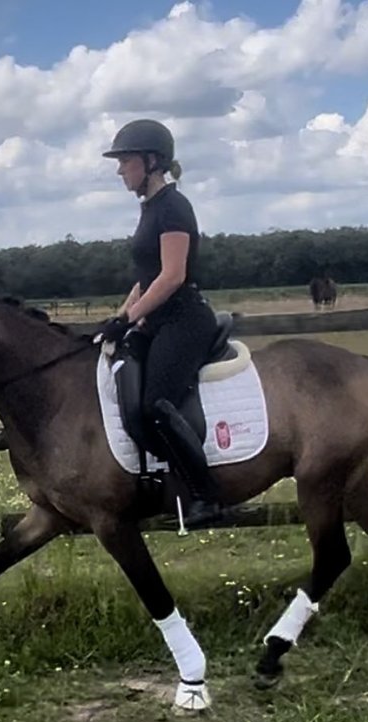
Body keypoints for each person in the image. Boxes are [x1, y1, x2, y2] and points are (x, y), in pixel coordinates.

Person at [98, 119, 224, 527]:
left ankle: (207, 496)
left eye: (126, 161)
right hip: (157, 320)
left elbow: (171, 277)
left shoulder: (173, 207)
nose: (120, 170)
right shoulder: (150, 208)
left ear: (151, 162)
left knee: (156, 403)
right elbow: (146, 279)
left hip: (184, 320)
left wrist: (132, 318)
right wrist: (119, 319)